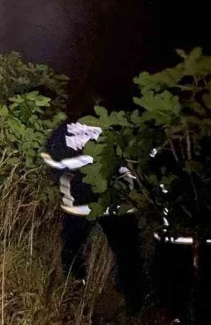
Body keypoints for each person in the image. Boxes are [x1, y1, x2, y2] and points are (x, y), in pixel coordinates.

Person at [42, 121, 145, 313]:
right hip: (115, 202)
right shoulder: (119, 122)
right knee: (127, 254)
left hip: (80, 202)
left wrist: (67, 178)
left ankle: (74, 294)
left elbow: (51, 159)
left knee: (75, 250)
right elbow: (137, 159)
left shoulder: (66, 128)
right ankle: (133, 303)